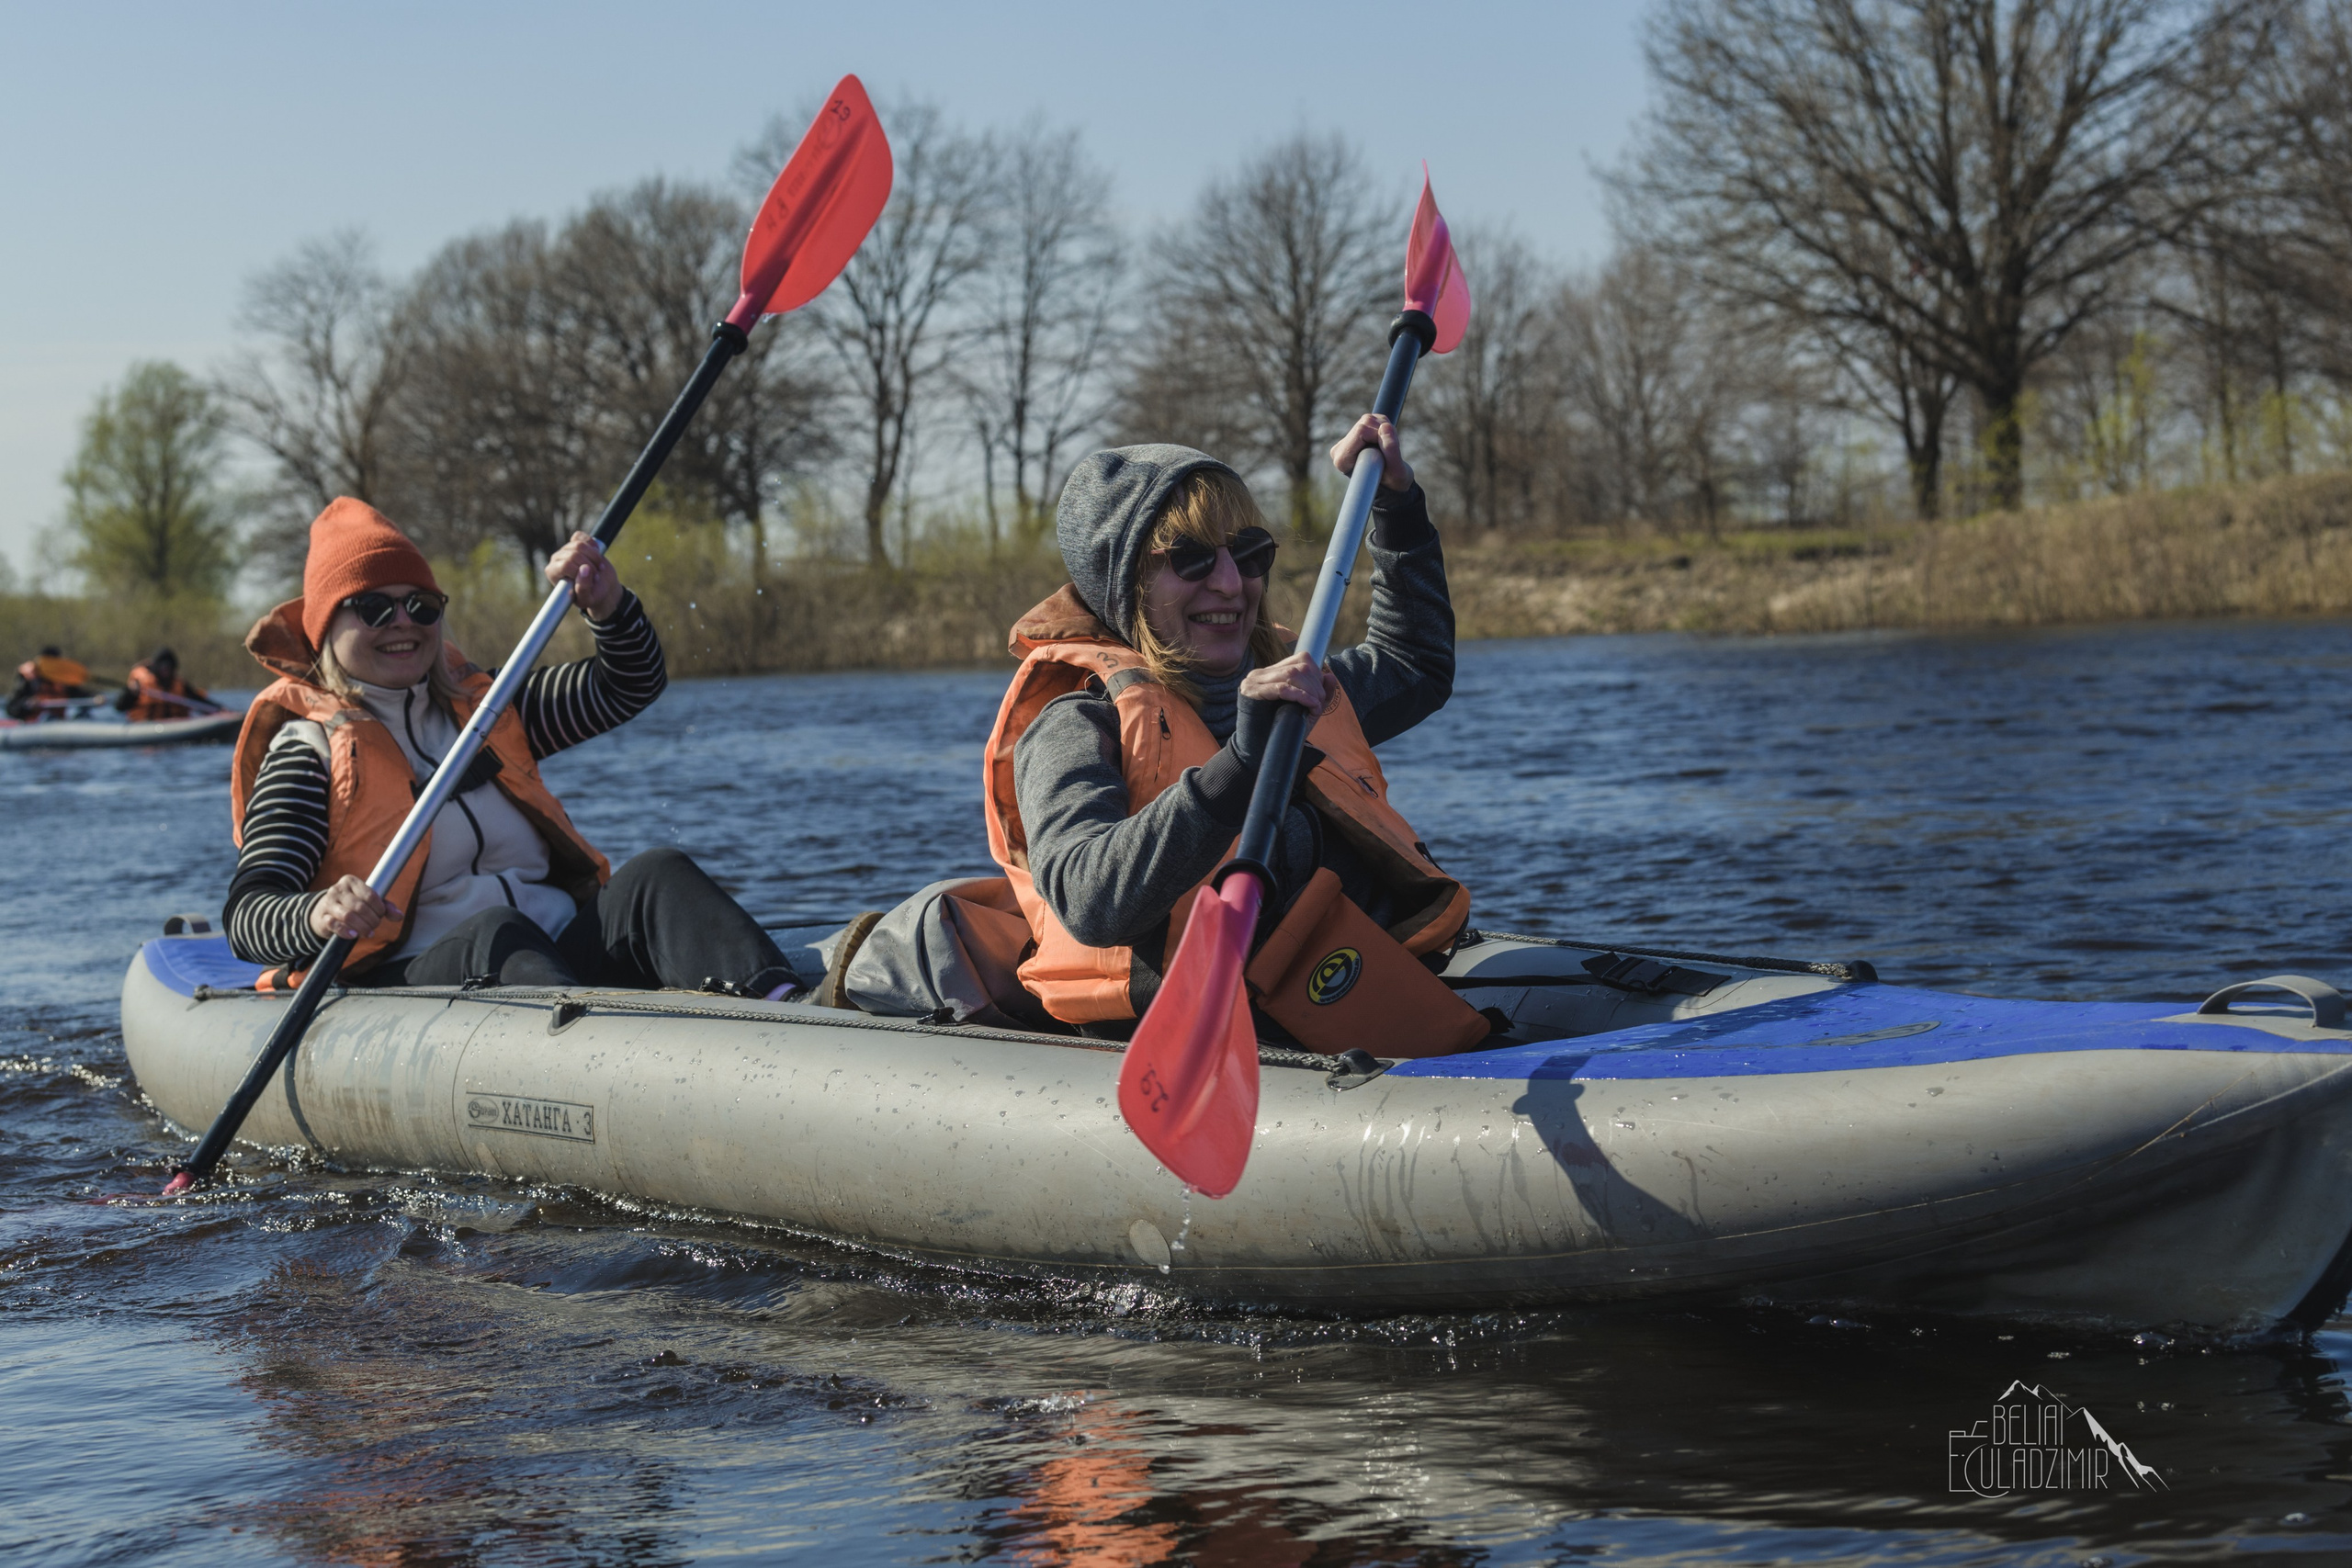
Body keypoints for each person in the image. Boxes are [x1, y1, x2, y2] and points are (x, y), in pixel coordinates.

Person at [980, 417, 1490, 1057]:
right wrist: (1237, 768)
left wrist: (1394, 503)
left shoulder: (1294, 685)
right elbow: (1091, 899)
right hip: (1185, 1037)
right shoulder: (1078, 723)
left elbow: (1416, 666)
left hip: (1337, 999)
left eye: (1248, 553)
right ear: (1126, 583)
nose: (1229, 582)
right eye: (1191, 559)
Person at [223, 496, 799, 998]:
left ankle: (786, 1006)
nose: (403, 622)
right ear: (326, 628)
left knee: (657, 873)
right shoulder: (307, 750)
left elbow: (630, 685)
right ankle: (592, 1049)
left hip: (554, 955)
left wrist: (607, 606)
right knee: (497, 929)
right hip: (418, 977)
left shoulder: (490, 708)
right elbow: (248, 915)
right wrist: (316, 912)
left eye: (421, 606)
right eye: (374, 607)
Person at [116, 647, 215, 721]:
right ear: (156, 667)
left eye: (168, 667)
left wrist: (219, 709)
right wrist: (131, 693)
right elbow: (119, 707)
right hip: (145, 726)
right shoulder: (140, 683)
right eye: (162, 667)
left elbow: (199, 701)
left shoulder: (180, 685)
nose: (165, 671)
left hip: (175, 725)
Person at [7, 646, 95, 721]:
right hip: (33, 727)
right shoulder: (29, 681)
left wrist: (95, 698)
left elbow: (81, 695)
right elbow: (12, 708)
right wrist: (28, 704)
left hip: (57, 725)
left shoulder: (64, 681)